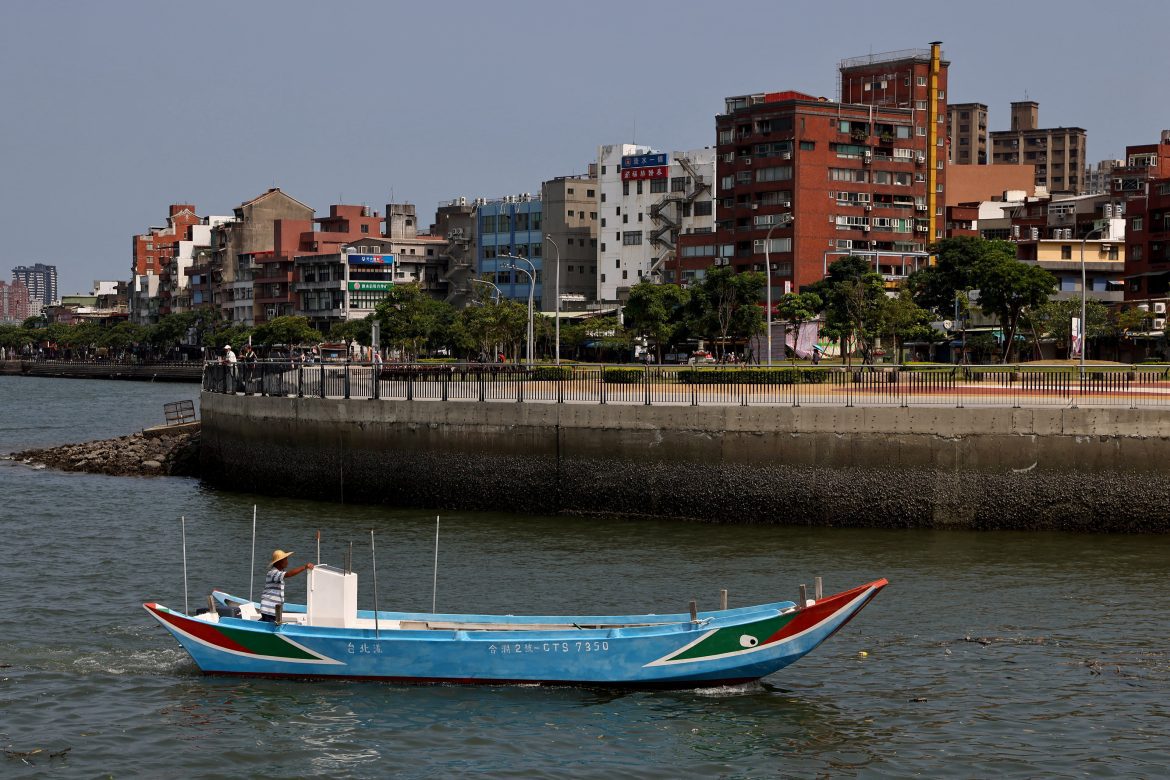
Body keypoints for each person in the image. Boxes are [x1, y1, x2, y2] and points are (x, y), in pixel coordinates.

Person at [260, 549, 314, 623]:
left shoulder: (278, 572)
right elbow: (288, 574)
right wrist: (304, 567)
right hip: (269, 609)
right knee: (271, 626)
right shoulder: (272, 573)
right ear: (279, 562)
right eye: (285, 560)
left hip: (274, 609)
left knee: (273, 624)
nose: (287, 562)